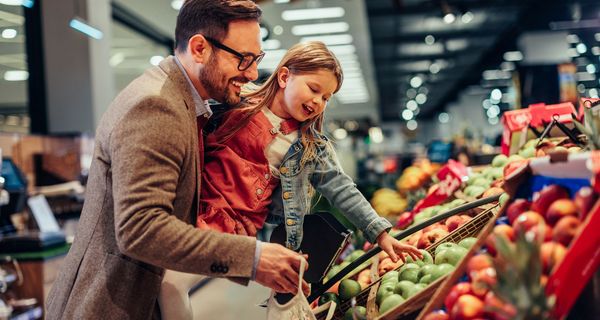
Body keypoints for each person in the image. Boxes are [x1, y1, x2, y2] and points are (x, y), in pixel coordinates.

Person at [45, 1, 309, 319]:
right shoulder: (158, 106)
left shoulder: (186, 105)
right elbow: (140, 228)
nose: (252, 73)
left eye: (257, 60)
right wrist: (252, 259)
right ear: (199, 48)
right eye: (244, 59)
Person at [159, 41, 422, 319]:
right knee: (162, 281)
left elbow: (342, 188)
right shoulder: (236, 106)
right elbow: (189, 120)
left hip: (230, 230)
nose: (318, 102)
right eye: (314, 89)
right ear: (284, 77)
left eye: (326, 97)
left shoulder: (311, 147)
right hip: (189, 209)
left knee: (170, 283)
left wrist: (380, 233)